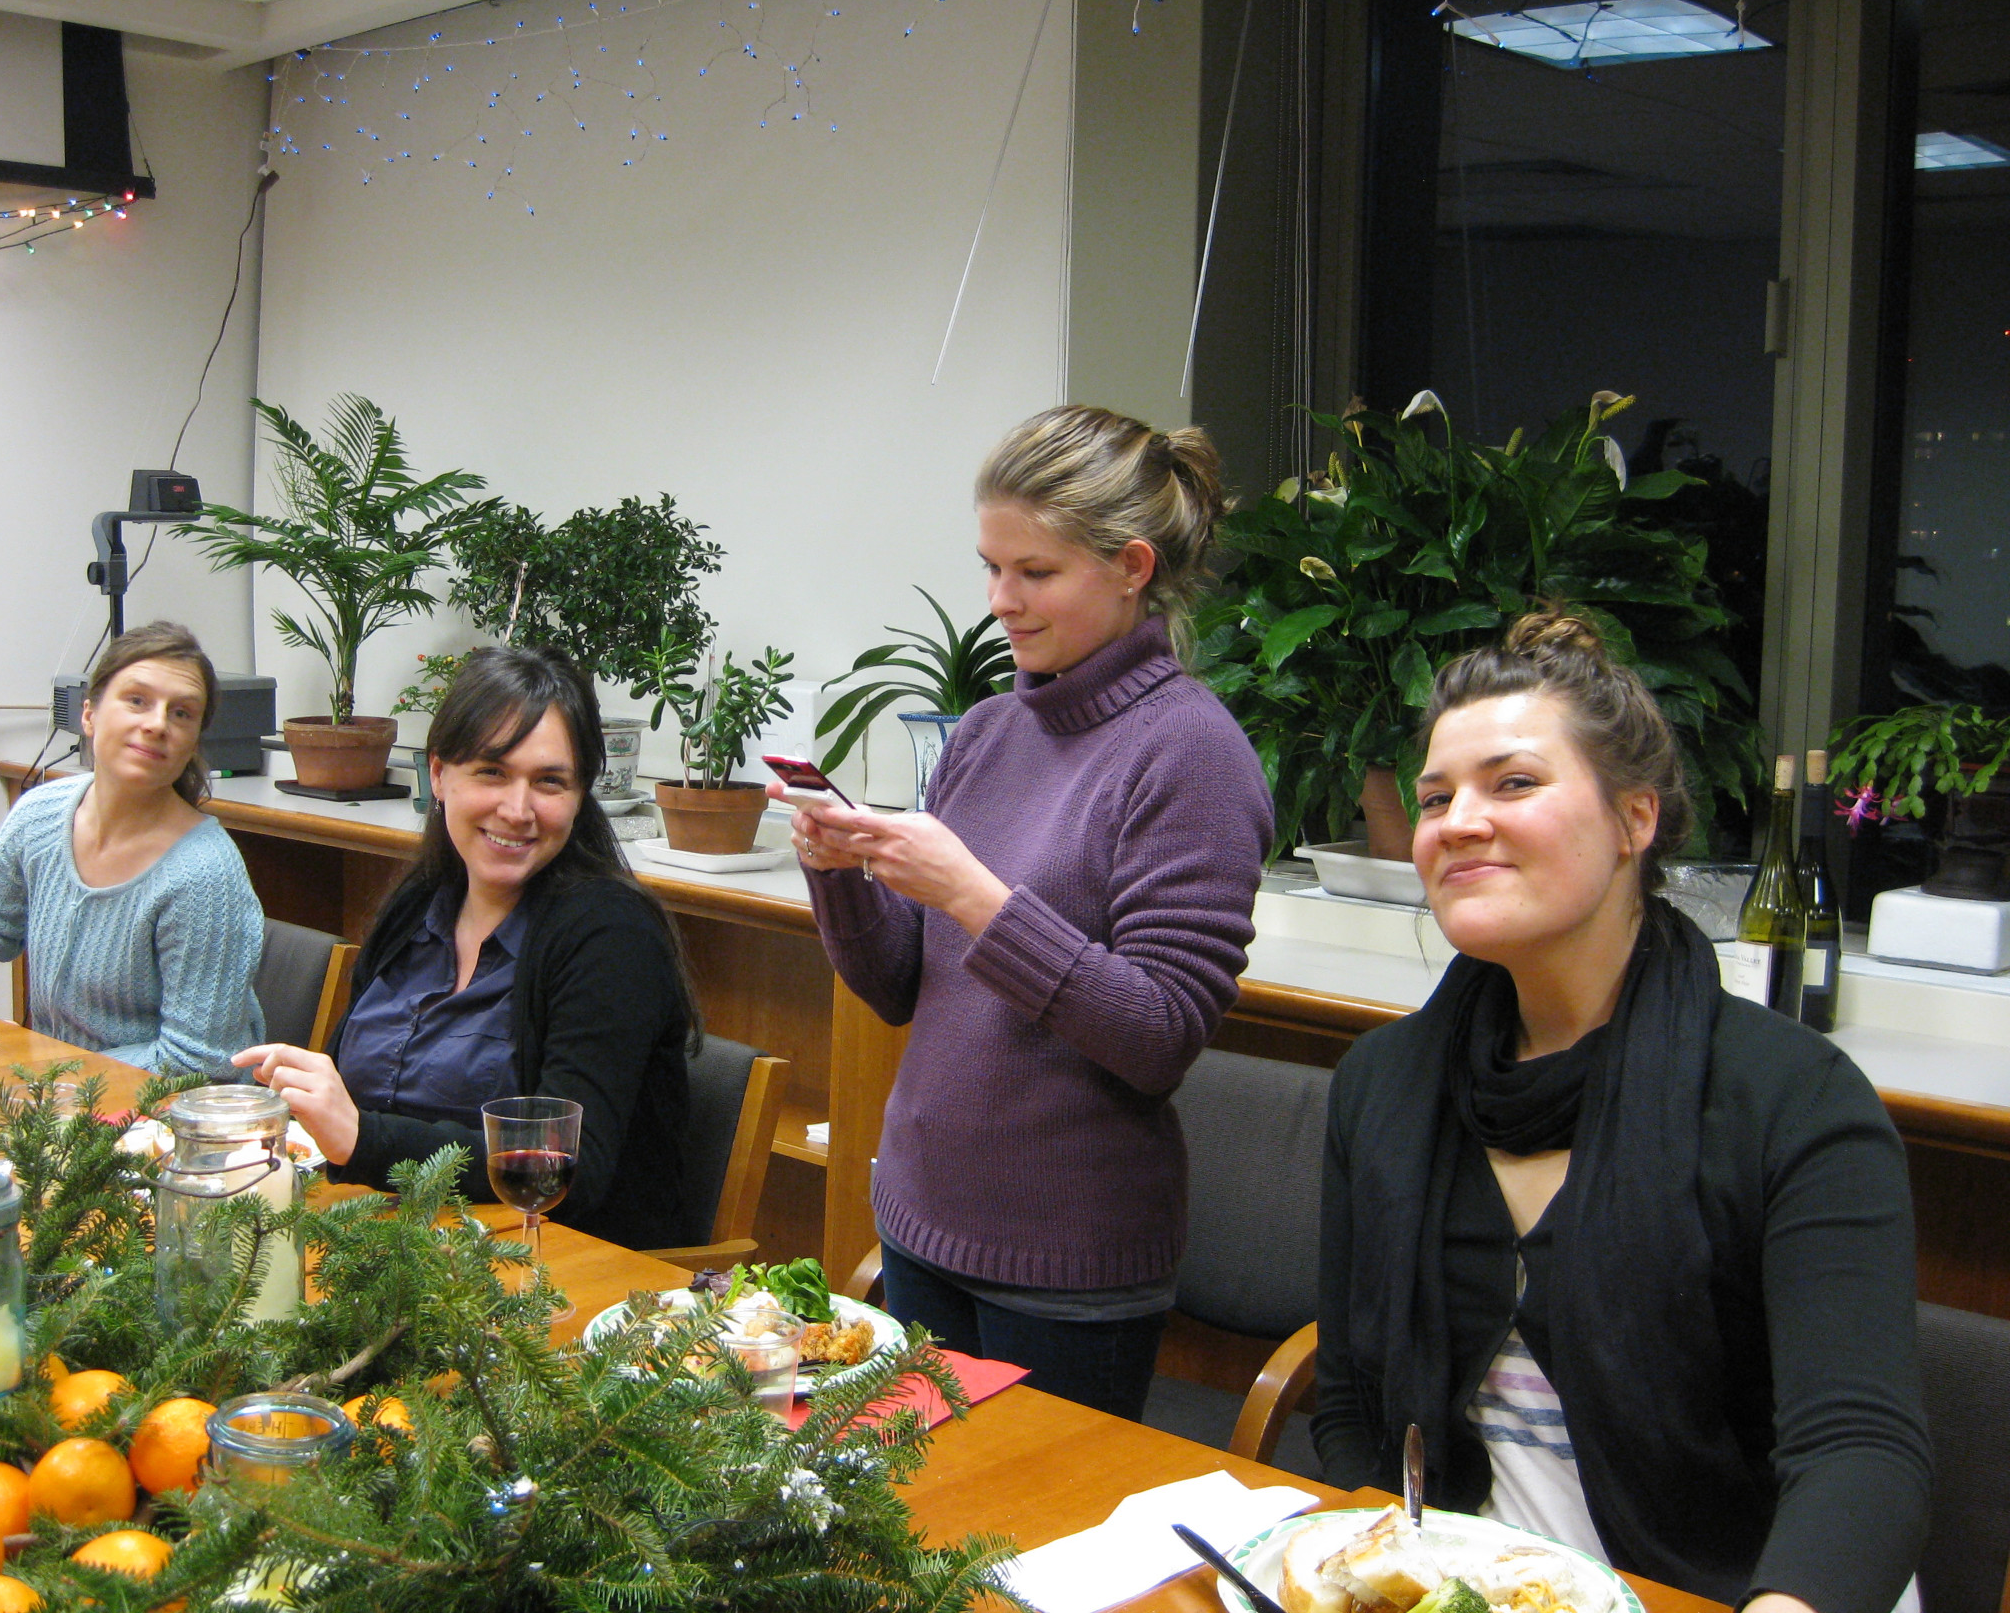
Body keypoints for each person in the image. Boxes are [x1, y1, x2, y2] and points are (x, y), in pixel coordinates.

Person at [1312, 611, 1929, 1610]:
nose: (1457, 820)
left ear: (1634, 820)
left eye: (1513, 783)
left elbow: (1862, 1453)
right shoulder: (1383, 1084)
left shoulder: (1792, 1100)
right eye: (1435, 797)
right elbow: (1348, 1403)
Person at [774, 405, 1274, 1419]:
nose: (1001, 601)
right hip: (921, 1221)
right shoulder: (988, 731)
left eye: (1034, 572)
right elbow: (899, 989)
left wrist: (971, 891)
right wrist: (839, 870)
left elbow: (1158, 1037)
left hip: (1067, 1268)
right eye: (991, 568)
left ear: (1131, 567)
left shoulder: (1191, 753)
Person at [237, 646, 695, 1249]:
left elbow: (569, 1171)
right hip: (383, 1240)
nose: (518, 810)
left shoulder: (611, 937)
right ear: (438, 775)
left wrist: (363, 1138)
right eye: (492, 772)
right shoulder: (418, 905)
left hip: (548, 1270)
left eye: (549, 782)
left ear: (581, 794)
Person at [0, 622, 263, 1076]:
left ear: (193, 741)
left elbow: (195, 1063)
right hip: (59, 1093)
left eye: (181, 713)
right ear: (89, 715)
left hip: (162, 1109)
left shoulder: (204, 874)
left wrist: (42, 1076)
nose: (157, 724)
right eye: (137, 700)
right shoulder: (41, 815)